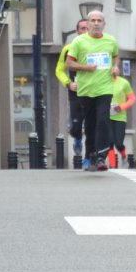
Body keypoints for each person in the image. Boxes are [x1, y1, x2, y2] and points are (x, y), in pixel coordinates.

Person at [63, 11, 120, 172]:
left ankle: (102, 156)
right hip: (86, 90)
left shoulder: (111, 40)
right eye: (93, 20)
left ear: (104, 24)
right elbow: (69, 64)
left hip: (105, 88)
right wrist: (85, 68)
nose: (96, 23)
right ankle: (91, 155)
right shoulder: (78, 42)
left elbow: (116, 56)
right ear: (87, 24)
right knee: (89, 125)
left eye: (99, 20)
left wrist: (115, 66)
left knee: (103, 120)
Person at [55, 18, 89, 168]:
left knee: (92, 126)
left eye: (87, 28)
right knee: (76, 126)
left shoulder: (98, 47)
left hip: (93, 92)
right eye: (82, 28)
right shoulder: (68, 48)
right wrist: (68, 84)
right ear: (77, 31)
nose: (85, 31)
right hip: (75, 92)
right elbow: (59, 70)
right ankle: (77, 138)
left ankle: (90, 157)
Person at [107, 68, 136, 166]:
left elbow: (132, 99)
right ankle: (112, 165)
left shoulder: (124, 83)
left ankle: (123, 156)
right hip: (107, 116)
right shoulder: (104, 82)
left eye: (116, 68)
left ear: (118, 71)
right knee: (109, 142)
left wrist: (121, 107)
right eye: (112, 68)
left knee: (118, 143)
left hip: (120, 118)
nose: (114, 70)